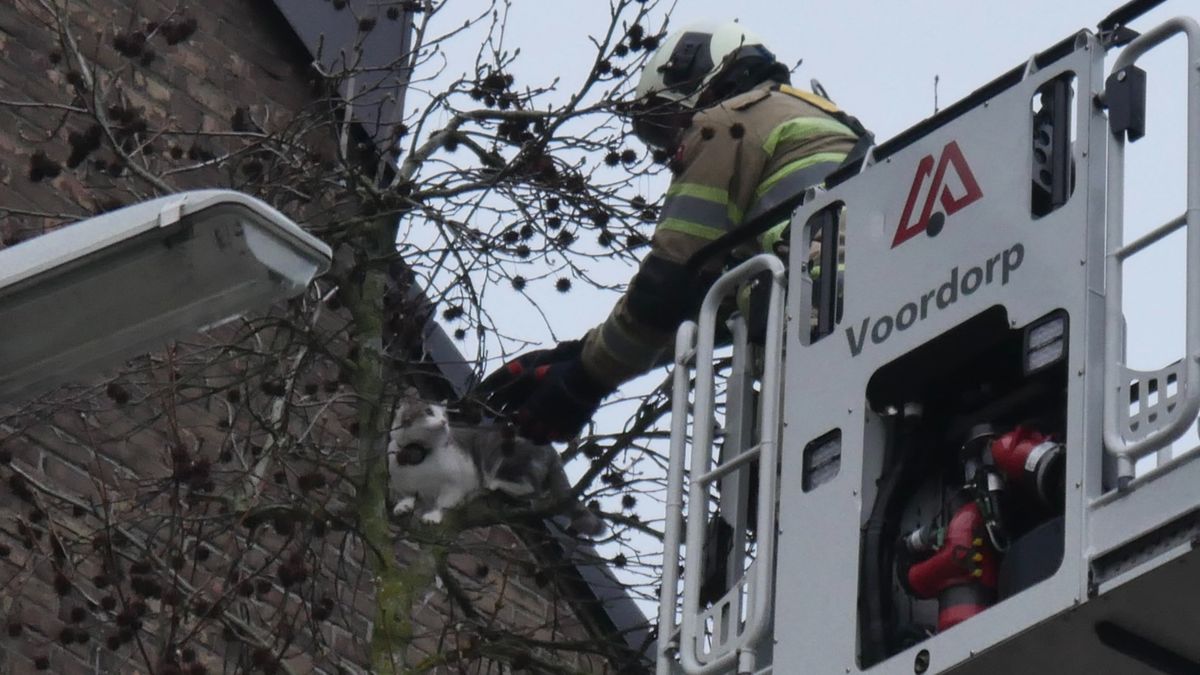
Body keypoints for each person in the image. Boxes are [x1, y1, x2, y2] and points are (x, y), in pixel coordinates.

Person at [479, 21, 868, 443]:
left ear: (702, 74)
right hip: (856, 319)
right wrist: (576, 355)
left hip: (820, 325)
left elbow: (667, 286)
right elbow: (701, 314)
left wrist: (583, 382)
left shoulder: (728, 121)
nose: (675, 143)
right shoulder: (815, 124)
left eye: (668, 120)